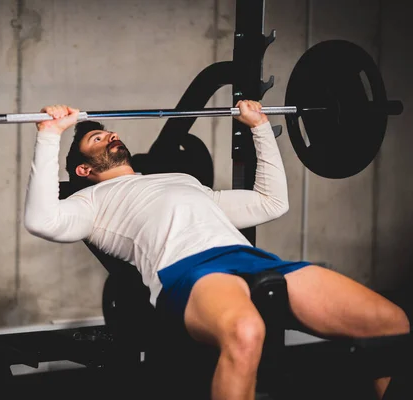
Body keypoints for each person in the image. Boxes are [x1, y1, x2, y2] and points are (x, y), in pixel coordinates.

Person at [24, 101, 409, 400]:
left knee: (390, 323)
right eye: (96, 139)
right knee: (245, 332)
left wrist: (260, 128)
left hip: (254, 261)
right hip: (189, 272)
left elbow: (271, 203)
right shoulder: (90, 201)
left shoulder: (180, 179)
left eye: (108, 133)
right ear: (83, 171)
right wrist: (50, 134)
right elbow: (43, 220)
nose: (109, 136)